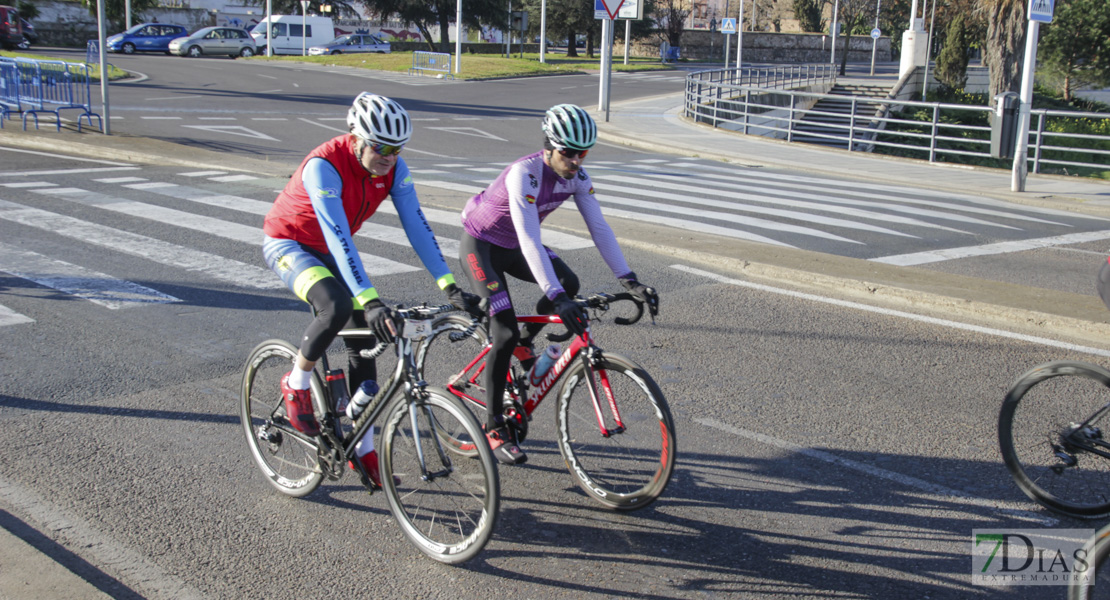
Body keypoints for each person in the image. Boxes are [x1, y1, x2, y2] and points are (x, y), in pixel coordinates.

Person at [262, 92, 480, 485]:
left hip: (333, 249)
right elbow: (337, 233)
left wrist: (450, 287)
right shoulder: (324, 166)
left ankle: (362, 451)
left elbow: (417, 225)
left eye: (396, 149)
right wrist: (372, 299)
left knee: (365, 348)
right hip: (291, 244)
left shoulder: (394, 169)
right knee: (337, 306)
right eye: (380, 147)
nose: (388, 156)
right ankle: (295, 384)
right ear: (356, 138)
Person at [458, 103, 659, 466]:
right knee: (502, 332)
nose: (576, 160)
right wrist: (556, 297)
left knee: (569, 281)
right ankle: (493, 426)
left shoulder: (578, 178)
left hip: (515, 245)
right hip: (483, 246)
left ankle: (525, 341)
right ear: (549, 146)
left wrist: (629, 280)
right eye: (568, 152)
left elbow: (600, 229)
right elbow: (531, 240)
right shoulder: (525, 173)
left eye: (583, 153)